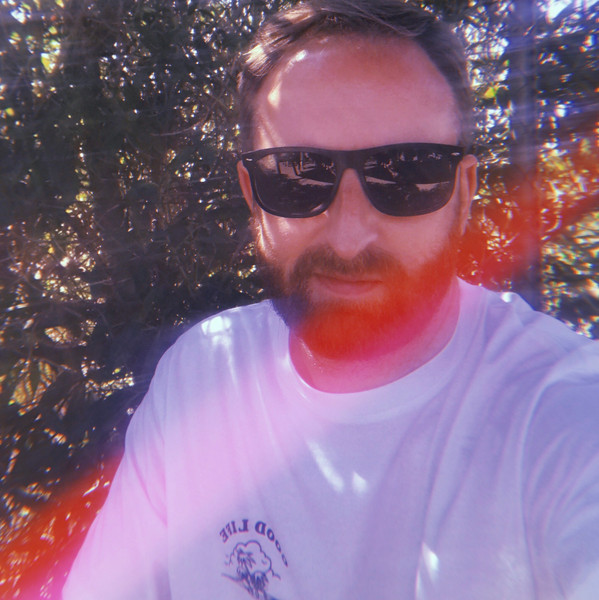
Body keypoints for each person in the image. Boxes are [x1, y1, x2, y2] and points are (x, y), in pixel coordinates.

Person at [63, 1, 599, 598]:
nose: (348, 238)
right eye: (296, 174)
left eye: (407, 174)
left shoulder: (558, 407)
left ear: (463, 192)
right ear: (252, 193)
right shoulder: (200, 379)